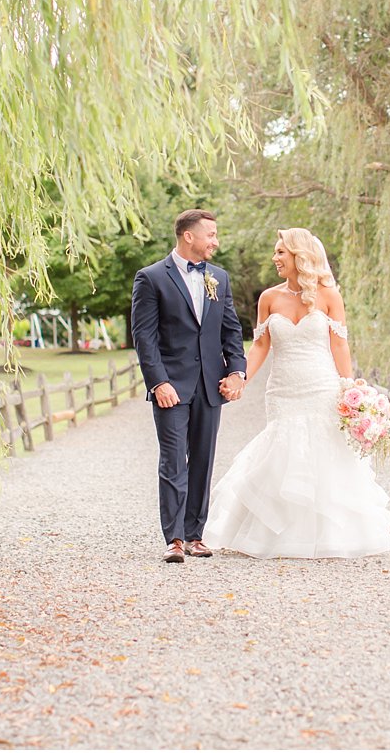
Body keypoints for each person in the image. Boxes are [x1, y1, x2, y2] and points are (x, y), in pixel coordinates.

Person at [204, 229, 390, 559]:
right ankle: (274, 536)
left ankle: (328, 536)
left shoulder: (329, 296)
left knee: (323, 452)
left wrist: (351, 390)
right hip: (282, 390)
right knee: (281, 447)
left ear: (299, 256)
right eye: (276, 252)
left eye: (281, 253)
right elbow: (261, 345)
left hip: (321, 385)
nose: (275, 258)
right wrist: (240, 379)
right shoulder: (269, 298)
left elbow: (339, 344)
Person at [130, 210, 247, 564]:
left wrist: (237, 372)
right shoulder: (151, 278)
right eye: (210, 234)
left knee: (203, 460)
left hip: (210, 386)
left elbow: (231, 330)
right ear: (188, 237)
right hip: (172, 387)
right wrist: (158, 381)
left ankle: (197, 534)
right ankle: (175, 538)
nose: (215, 241)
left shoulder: (219, 278)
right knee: (172, 461)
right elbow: (144, 336)